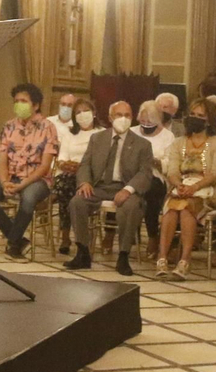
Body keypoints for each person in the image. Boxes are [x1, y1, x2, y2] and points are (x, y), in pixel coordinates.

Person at [65, 101, 154, 276]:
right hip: (100, 186)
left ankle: (123, 255)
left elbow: (145, 173)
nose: (123, 119)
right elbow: (85, 165)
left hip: (125, 187)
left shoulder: (142, 144)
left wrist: (128, 190)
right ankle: (83, 251)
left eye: (127, 115)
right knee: (77, 202)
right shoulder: (97, 138)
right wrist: (84, 182)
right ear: (110, 117)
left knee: (129, 207)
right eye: (119, 115)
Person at [0, 82, 58, 260]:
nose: (19, 104)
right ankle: (19, 239)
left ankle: (13, 242)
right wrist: (5, 182)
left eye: (24, 101)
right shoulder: (9, 126)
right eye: (17, 101)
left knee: (28, 197)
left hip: (37, 179)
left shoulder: (48, 127)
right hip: (11, 176)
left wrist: (21, 185)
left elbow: (45, 166)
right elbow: (2, 160)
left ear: (35, 105)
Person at [155, 96, 216, 280]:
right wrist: (178, 184)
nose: (194, 118)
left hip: (207, 190)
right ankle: (162, 258)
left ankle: (184, 261)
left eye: (200, 115)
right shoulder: (178, 142)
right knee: (172, 208)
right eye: (192, 114)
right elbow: (172, 169)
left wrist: (195, 186)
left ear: (209, 120)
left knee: (187, 208)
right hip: (181, 187)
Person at [49, 96, 96, 254]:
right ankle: (65, 235)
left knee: (64, 187)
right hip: (68, 173)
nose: (82, 115)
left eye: (86, 111)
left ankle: (69, 233)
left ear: (94, 113)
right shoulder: (70, 134)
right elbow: (62, 158)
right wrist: (66, 164)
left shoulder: (101, 134)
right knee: (66, 185)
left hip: (91, 176)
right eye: (78, 112)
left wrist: (82, 168)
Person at [133, 99, 175, 256]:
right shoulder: (133, 132)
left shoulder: (168, 137)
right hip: (132, 175)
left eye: (150, 121)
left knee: (150, 192)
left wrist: (157, 162)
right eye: (143, 121)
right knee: (120, 187)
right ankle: (114, 234)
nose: (146, 124)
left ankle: (152, 235)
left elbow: (170, 163)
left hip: (155, 177)